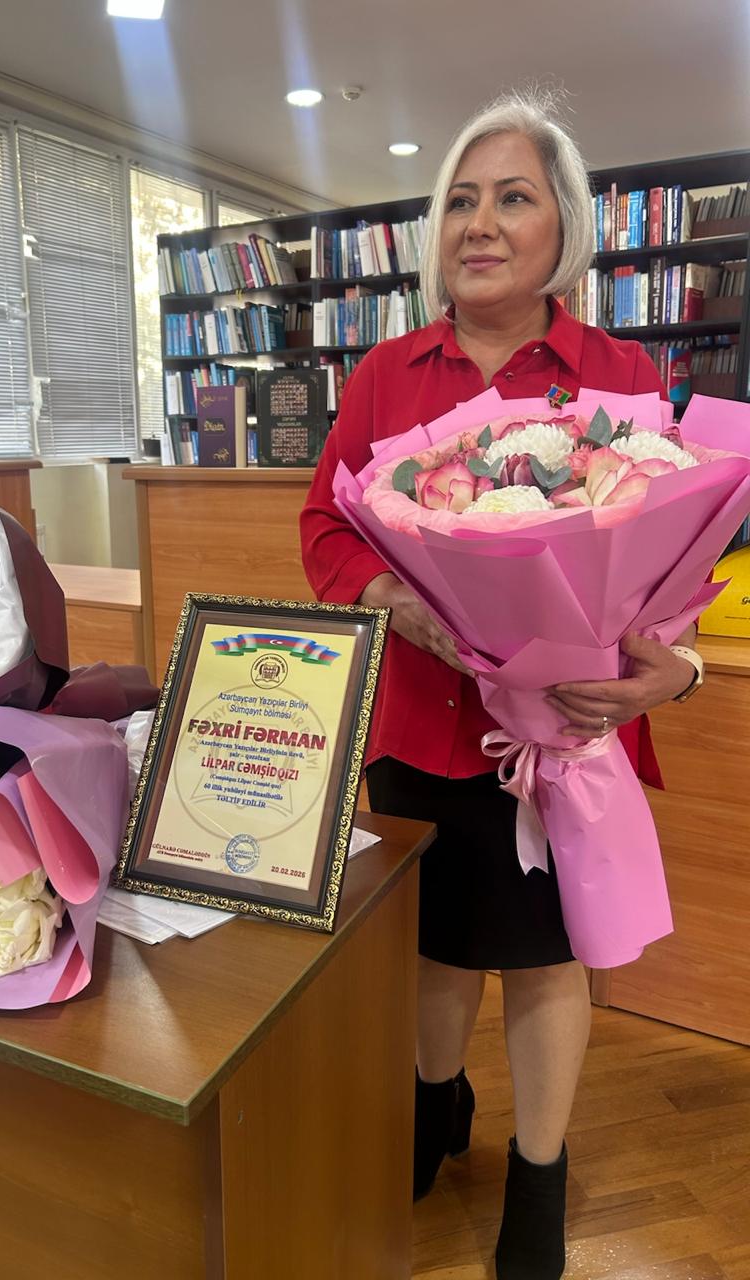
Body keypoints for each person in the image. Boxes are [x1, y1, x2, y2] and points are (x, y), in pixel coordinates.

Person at [300, 89, 703, 1280]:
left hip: (564, 739)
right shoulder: (385, 374)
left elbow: (675, 565)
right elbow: (327, 524)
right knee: (432, 945)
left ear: (562, 224)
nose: (479, 223)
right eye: (460, 202)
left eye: (512, 198)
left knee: (541, 956)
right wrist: (394, 598)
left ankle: (540, 1175)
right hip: (417, 722)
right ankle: (436, 1102)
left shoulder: (617, 373)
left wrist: (669, 671)